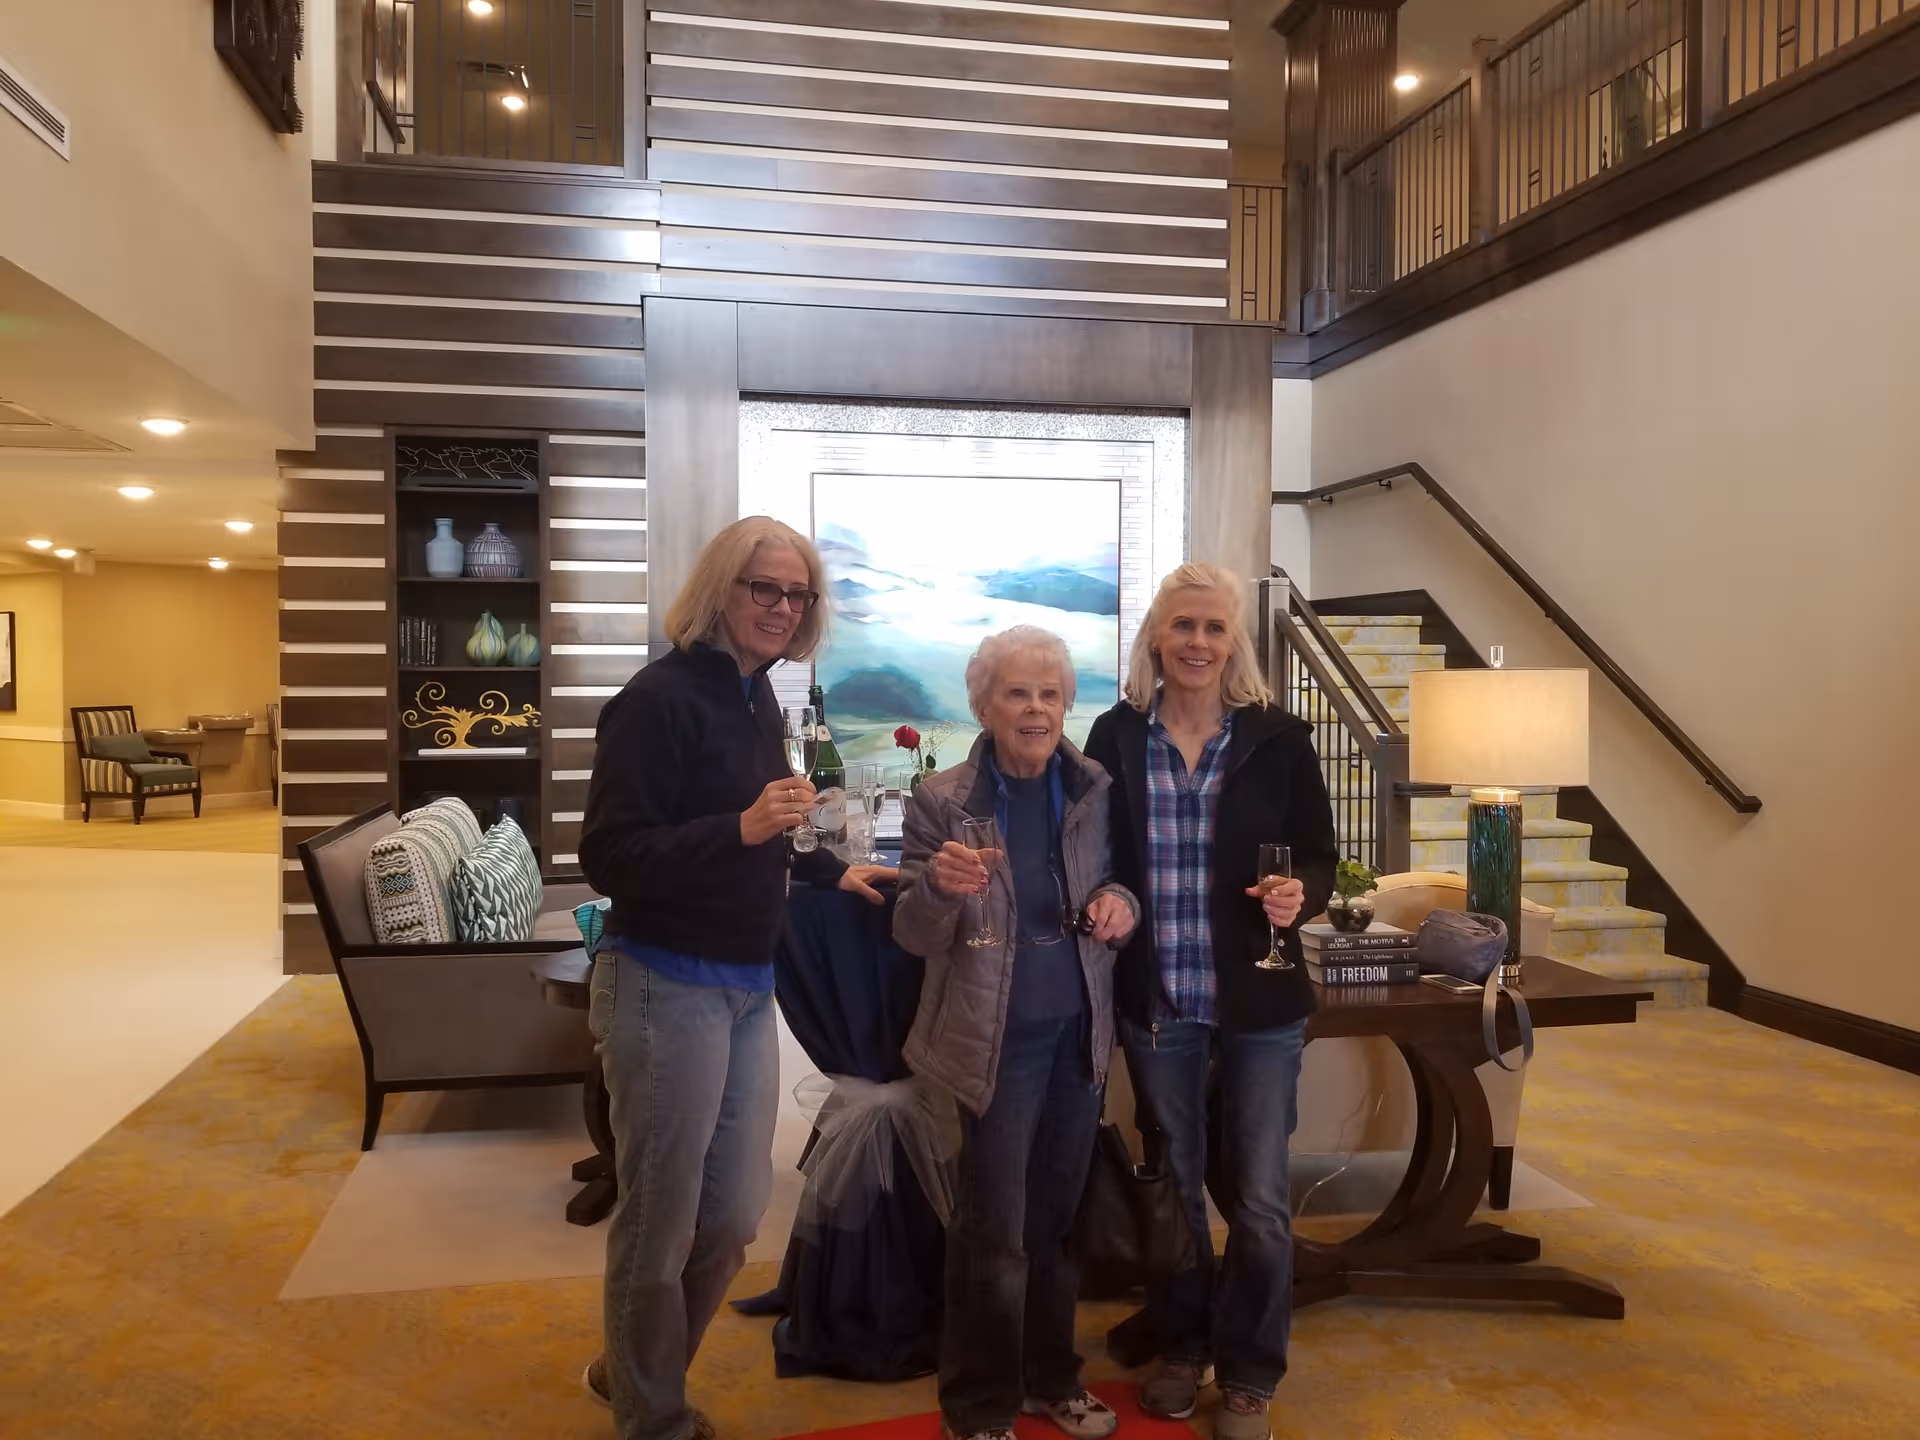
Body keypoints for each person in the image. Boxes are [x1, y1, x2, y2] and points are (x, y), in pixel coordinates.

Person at [578, 516, 894, 1440]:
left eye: (797, 595)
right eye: (766, 589)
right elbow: (609, 856)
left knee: (732, 1219)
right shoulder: (658, 698)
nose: (783, 607)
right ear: (721, 587)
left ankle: (630, 1366)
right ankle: (652, 1414)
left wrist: (833, 870)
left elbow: (772, 831)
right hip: (661, 983)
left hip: (748, 988)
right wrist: (741, 828)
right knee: (663, 1220)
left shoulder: (759, 697)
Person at [1083, 564, 1338, 1440]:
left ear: (1235, 644)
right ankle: (1184, 1349)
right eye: (1183, 626)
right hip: (1160, 1003)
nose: (1198, 643)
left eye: (1215, 629)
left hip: (1263, 1006)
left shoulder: (1280, 737)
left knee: (1262, 1200)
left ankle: (1252, 1376)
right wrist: (1112, 895)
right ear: (1157, 636)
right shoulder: (1114, 736)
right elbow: (1100, 854)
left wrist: (1299, 892)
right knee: (1176, 1193)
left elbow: (1318, 856)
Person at [893, 626, 1139, 1440]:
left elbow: (1114, 884)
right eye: (1016, 693)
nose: (1035, 709)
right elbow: (915, 934)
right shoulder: (943, 800)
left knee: (1057, 1223)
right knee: (994, 1231)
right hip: (991, 1046)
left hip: (1079, 1037)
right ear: (984, 705)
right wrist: (936, 886)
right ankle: (978, 1404)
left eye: (1049, 694)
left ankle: (1051, 1379)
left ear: (1068, 703)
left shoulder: (1095, 787)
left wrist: (1121, 907)